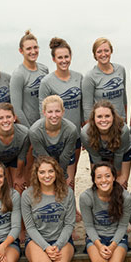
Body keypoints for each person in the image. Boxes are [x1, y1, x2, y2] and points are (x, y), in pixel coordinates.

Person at [22, 156, 76, 262]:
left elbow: (69, 224)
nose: (47, 175)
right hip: (37, 242)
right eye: (42, 172)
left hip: (62, 240)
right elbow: (29, 227)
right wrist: (46, 247)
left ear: (57, 172)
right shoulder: (27, 195)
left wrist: (57, 245)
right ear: (36, 174)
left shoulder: (67, 193)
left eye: (50, 171)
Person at [80, 162, 131, 262]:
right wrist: (99, 244)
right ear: (94, 180)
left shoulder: (125, 197)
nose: (104, 180)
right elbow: (88, 226)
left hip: (117, 237)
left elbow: (123, 226)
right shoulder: (86, 197)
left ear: (114, 177)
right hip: (96, 238)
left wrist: (112, 245)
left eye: (108, 176)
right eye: (99, 177)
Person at [39, 37, 83, 181]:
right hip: (53, 139)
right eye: (60, 57)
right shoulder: (47, 82)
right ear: (53, 59)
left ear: (71, 57)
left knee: (69, 178)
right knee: (52, 176)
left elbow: (83, 107)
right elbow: (43, 111)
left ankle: (69, 203)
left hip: (74, 135)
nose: (64, 60)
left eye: (66, 56)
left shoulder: (79, 78)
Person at [29, 95, 78, 188]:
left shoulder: (71, 130)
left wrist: (61, 177)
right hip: (43, 160)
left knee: (68, 185)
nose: (54, 115)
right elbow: (44, 158)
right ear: (44, 113)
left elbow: (65, 157)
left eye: (57, 111)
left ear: (63, 112)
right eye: (50, 112)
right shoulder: (35, 131)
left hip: (64, 159)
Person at [80, 100, 131, 189]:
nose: (103, 120)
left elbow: (118, 157)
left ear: (113, 117)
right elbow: (96, 159)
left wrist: (116, 179)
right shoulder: (86, 133)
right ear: (93, 118)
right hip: (98, 152)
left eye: (107, 116)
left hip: (123, 152)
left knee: (120, 183)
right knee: (99, 182)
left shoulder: (123, 130)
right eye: (99, 116)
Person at [0, 102, 30, 193]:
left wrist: (19, 176)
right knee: (3, 188)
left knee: (18, 186)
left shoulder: (24, 133)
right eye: (1, 118)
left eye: (8, 117)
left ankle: (17, 206)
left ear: (14, 118)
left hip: (15, 159)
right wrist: (3, 179)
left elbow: (22, 157)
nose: (5, 120)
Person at [10, 30, 49, 128]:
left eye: (35, 47)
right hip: (29, 127)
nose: (33, 51)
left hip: (46, 124)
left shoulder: (44, 69)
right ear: (21, 51)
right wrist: (30, 131)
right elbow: (16, 109)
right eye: (28, 49)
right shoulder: (18, 75)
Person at [82, 37, 128, 121]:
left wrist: (126, 120)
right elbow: (87, 107)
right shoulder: (90, 77)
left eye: (106, 50)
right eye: (99, 51)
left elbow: (124, 99)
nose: (103, 54)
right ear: (95, 55)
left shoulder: (120, 70)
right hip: (102, 125)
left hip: (120, 124)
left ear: (111, 51)